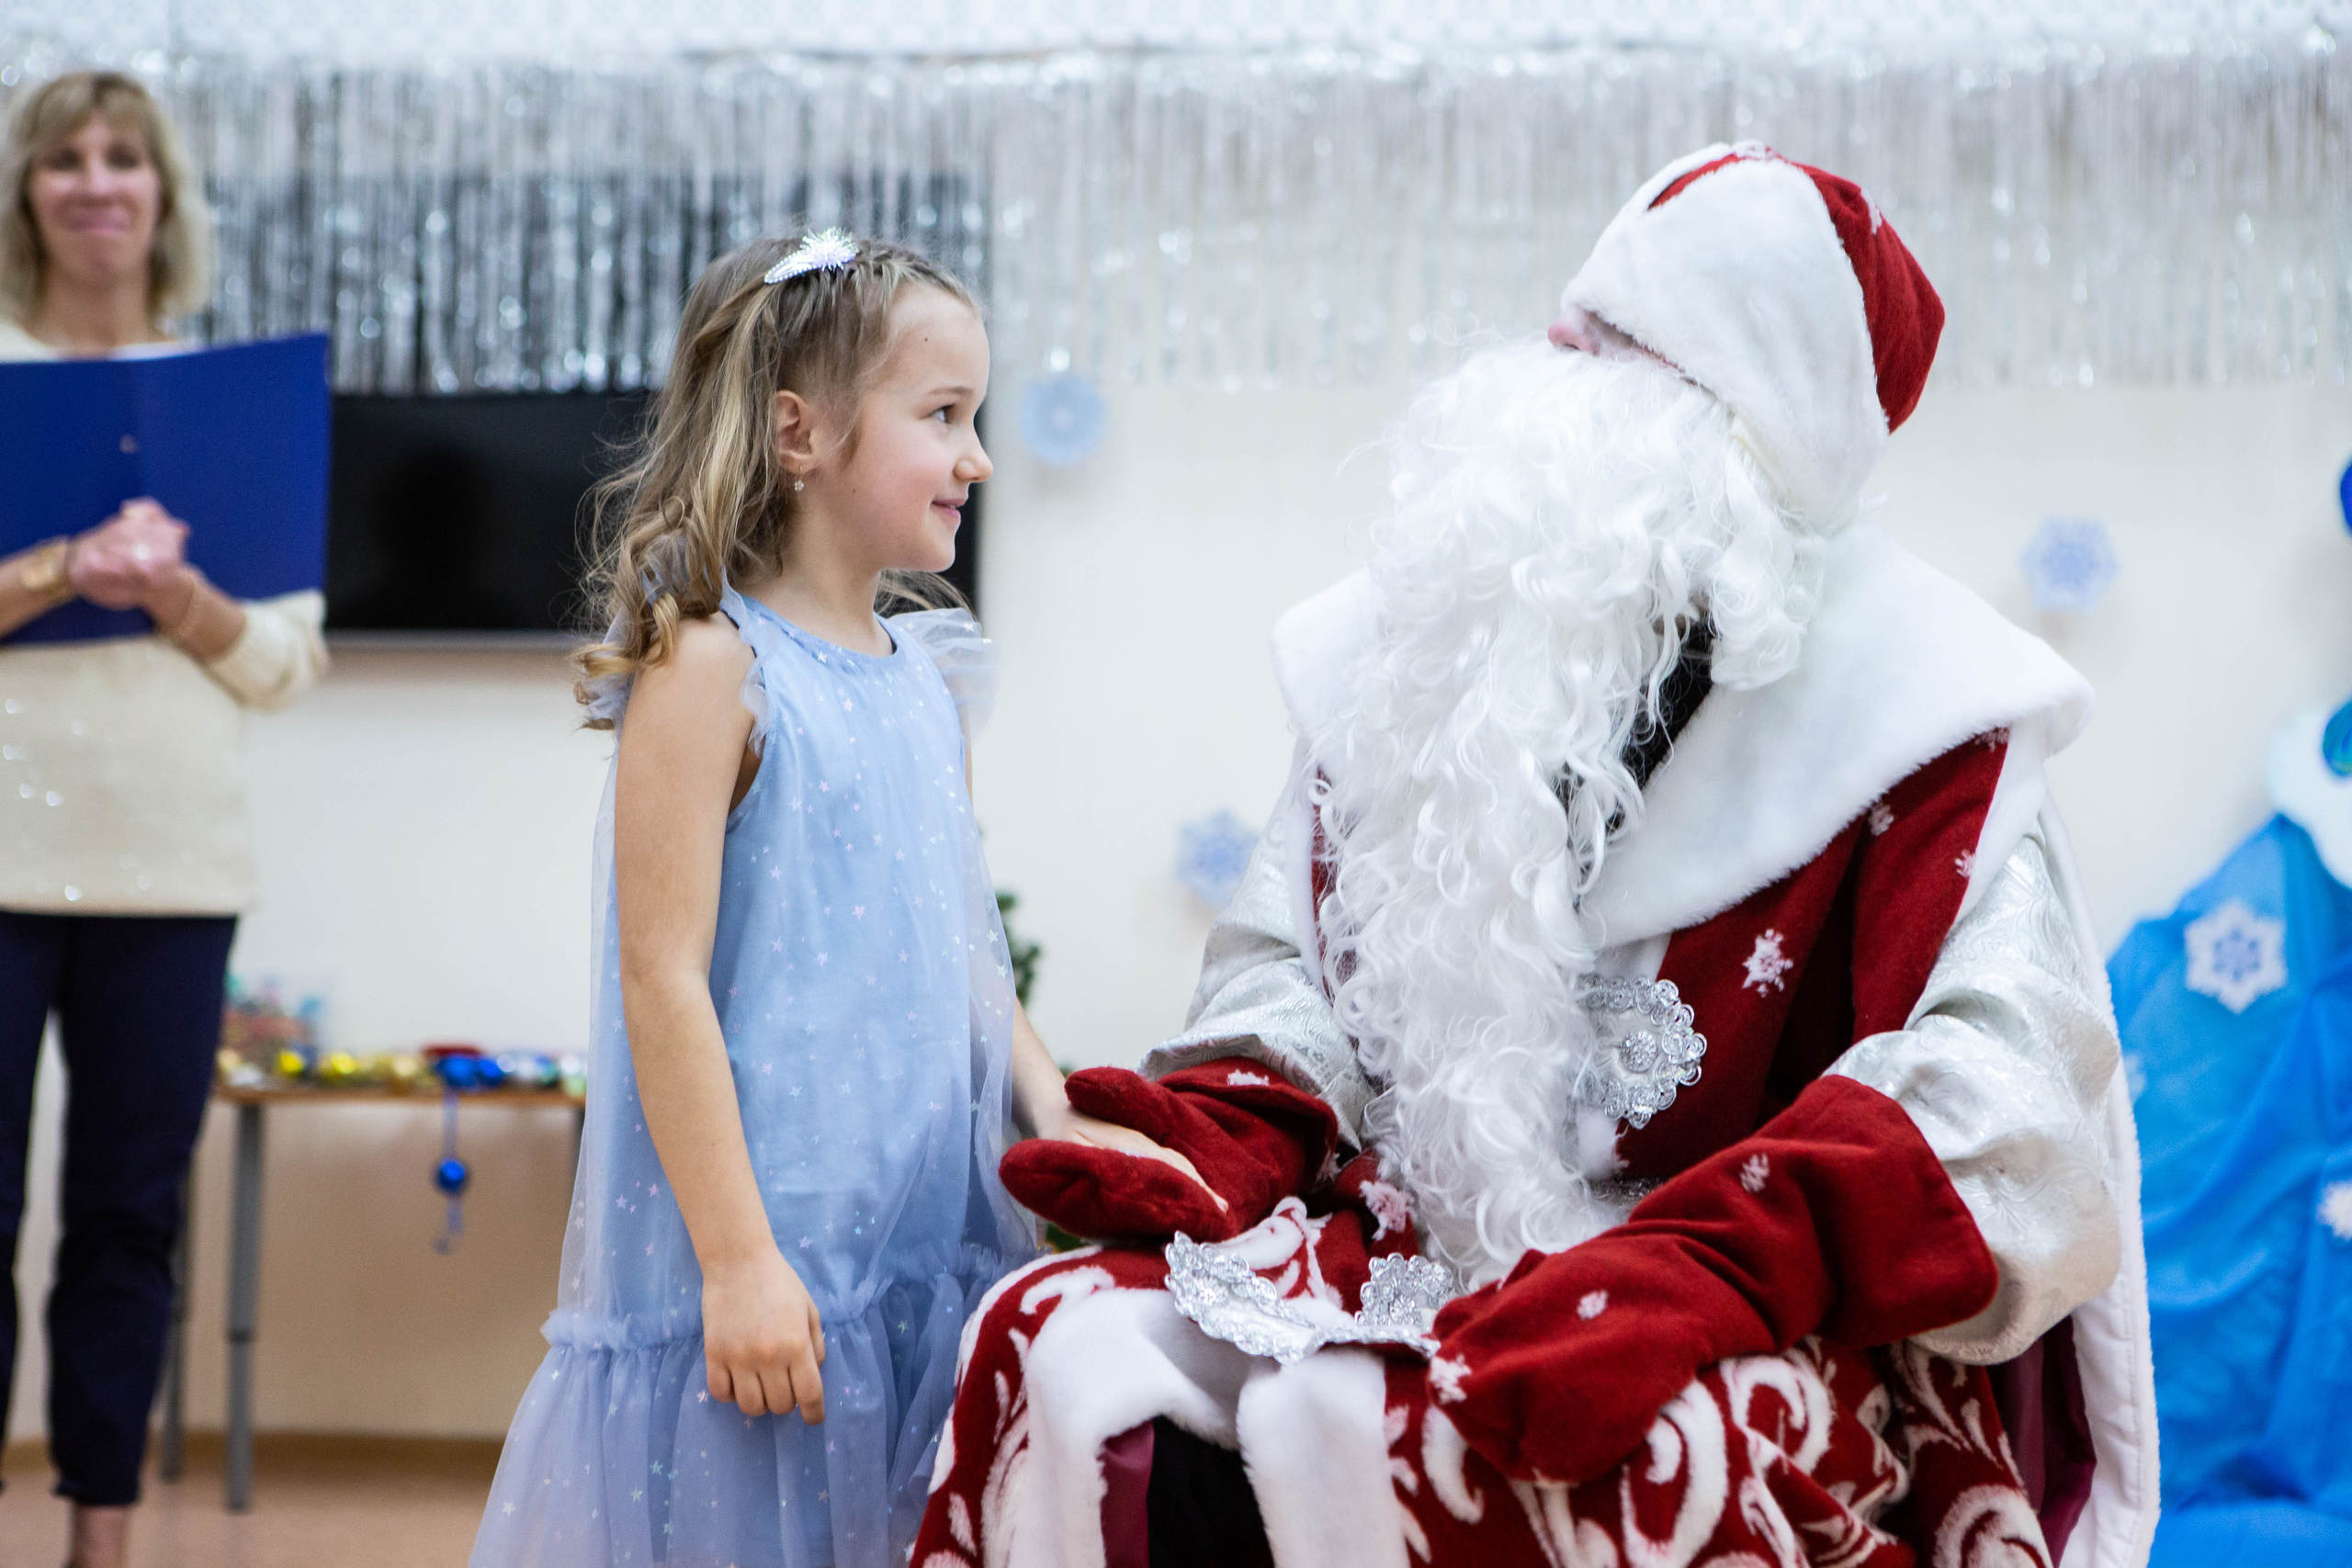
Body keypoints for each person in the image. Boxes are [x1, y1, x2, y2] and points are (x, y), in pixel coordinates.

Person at [916, 145, 2158, 1568]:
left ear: (1748, 443)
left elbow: (2011, 1111)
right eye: (1578, 340)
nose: (1560, 391)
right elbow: (1294, 959)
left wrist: (1722, 1252)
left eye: (1628, 363)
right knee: (1050, 1343)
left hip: (1746, 1307)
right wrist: (1245, 1122)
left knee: (1506, 1444)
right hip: (1407, 1240)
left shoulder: (1929, 715)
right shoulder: (1439, 643)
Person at [468, 231, 1192, 1568]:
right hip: (769, 1262)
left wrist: (1059, 1103)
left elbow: (970, 950)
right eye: (944, 416)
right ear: (800, 434)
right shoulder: (711, 669)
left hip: (924, 1250)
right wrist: (739, 1262)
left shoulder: (929, 677)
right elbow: (661, 979)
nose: (978, 456)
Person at [0, 71, 325, 1568]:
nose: (95, 180)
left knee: (129, 1221)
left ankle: (101, 1536)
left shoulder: (232, 401)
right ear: (26, 193)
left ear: (161, 195)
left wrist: (176, 594)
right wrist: (66, 562)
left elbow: (283, 665)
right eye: (63, 157)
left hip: (172, 872)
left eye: (123, 156)